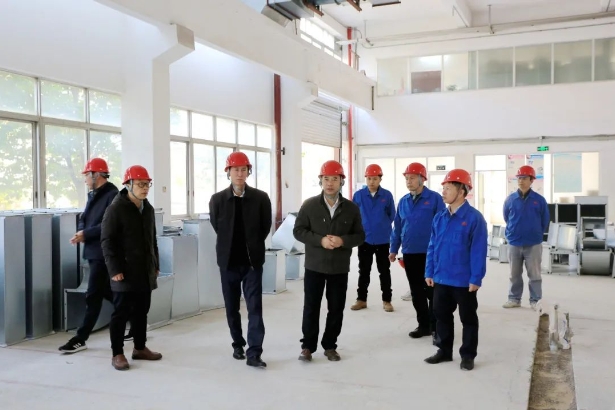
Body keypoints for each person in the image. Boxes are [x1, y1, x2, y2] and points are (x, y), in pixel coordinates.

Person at [293, 160, 365, 362]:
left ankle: (330, 346)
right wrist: (320, 240)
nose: (330, 183)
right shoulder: (309, 205)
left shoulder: (351, 208)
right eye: (326, 179)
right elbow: (298, 231)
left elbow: (360, 236)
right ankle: (307, 346)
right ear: (321, 181)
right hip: (314, 266)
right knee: (311, 307)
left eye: (334, 179)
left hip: (339, 267)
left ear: (342, 181)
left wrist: (343, 241)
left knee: (336, 308)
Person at [209, 151, 272, 369]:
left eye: (243, 169)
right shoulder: (217, 200)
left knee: (255, 307)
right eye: (235, 169)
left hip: (252, 263)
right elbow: (217, 226)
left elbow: (265, 227)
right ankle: (238, 344)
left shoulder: (260, 198)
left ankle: (254, 352)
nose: (239, 173)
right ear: (228, 172)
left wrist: (253, 245)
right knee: (231, 307)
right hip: (228, 263)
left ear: (248, 172)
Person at [424, 169, 488, 371]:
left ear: (461, 191)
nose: (443, 192)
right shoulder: (440, 217)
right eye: (443, 188)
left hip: (463, 280)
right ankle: (444, 351)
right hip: (441, 277)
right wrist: (429, 271)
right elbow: (432, 246)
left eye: (448, 188)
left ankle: (468, 355)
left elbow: (478, 251)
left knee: (468, 319)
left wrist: (476, 278)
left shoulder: (474, 218)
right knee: (441, 316)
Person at [101, 165, 162, 371]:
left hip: (144, 270)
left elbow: (152, 240)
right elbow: (107, 241)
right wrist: (114, 269)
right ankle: (117, 353)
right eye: (140, 184)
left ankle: (140, 348)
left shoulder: (148, 209)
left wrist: (155, 264)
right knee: (121, 313)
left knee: (142, 311)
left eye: (147, 184)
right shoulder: (115, 209)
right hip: (124, 272)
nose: (145, 188)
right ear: (128, 185)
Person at [59, 158, 119, 354]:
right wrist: (81, 231)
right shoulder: (93, 195)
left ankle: (80, 338)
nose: (85, 179)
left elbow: (110, 225)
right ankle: (136, 317)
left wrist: (87, 233)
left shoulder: (113, 195)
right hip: (93, 252)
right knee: (108, 292)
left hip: (104, 253)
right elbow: (84, 218)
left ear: (96, 175)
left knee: (93, 295)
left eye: (87, 175)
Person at [389, 162, 445, 343]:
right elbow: (397, 227)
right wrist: (393, 248)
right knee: (416, 291)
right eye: (406, 178)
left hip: (430, 253)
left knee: (432, 291)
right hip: (410, 252)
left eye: (412, 178)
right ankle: (423, 325)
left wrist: (441, 250)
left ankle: (436, 326)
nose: (408, 181)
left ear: (422, 179)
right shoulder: (403, 201)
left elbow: (443, 226)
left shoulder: (435, 199)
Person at [502, 165, 549, 310]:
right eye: (519, 178)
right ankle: (514, 299)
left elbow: (545, 220)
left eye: (524, 178)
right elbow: (506, 218)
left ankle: (535, 300)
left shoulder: (539, 200)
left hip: (533, 243)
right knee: (514, 274)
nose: (521, 181)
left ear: (531, 180)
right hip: (514, 242)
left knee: (534, 274)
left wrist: (534, 233)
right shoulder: (510, 199)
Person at [350, 164, 396, 312]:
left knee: (384, 271)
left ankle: (387, 301)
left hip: (383, 240)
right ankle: (361, 300)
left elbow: (392, 215)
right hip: (365, 239)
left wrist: (381, 226)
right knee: (364, 271)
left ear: (380, 179)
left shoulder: (387, 195)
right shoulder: (358, 195)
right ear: (366, 179)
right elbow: (353, 216)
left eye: (375, 179)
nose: (371, 182)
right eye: (369, 178)